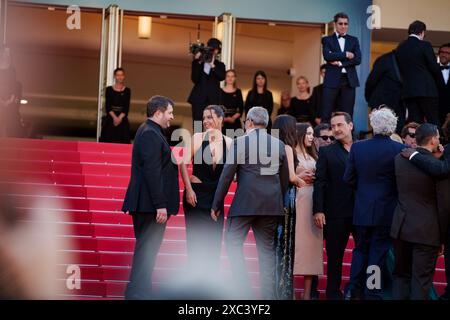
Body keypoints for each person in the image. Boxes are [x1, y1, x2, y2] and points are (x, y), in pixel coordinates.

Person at [210, 107, 289, 300]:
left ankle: (243, 290)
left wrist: (216, 204)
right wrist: (276, 199)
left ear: (250, 123)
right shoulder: (279, 145)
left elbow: (227, 174)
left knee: (232, 243)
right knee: (267, 253)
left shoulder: (241, 141)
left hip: (245, 204)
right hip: (271, 206)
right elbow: (284, 179)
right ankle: (267, 298)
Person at [122, 96, 179, 300]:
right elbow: (152, 171)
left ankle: (140, 292)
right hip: (149, 206)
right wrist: (160, 205)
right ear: (158, 112)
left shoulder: (151, 132)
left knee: (148, 252)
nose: (172, 117)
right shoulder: (150, 134)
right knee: (146, 252)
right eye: (170, 112)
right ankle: (137, 294)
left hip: (148, 204)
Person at [343, 108, 404, 299]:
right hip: (386, 211)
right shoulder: (399, 150)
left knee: (360, 249)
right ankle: (372, 291)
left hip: (362, 209)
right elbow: (401, 182)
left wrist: (363, 189)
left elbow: (348, 178)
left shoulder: (358, 147)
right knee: (377, 254)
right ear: (393, 126)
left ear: (373, 125)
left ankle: (353, 289)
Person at [391, 124, 449, 299]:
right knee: (421, 281)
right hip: (427, 232)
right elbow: (444, 205)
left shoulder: (399, 158)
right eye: (438, 137)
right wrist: (443, 236)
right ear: (433, 140)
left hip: (401, 227)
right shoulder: (438, 166)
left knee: (401, 277)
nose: (440, 140)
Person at [180, 105, 232, 277]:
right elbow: (182, 163)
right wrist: (188, 190)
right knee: (195, 243)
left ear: (220, 119)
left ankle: (209, 284)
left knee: (213, 244)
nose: (205, 121)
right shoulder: (197, 137)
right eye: (204, 118)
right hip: (196, 196)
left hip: (215, 198)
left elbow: (235, 171)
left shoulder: (230, 142)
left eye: (210, 117)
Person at [313, 112, 356, 300]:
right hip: (335, 212)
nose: (336, 129)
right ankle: (332, 293)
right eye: (333, 126)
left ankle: (358, 289)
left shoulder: (363, 148)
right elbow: (320, 182)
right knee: (335, 256)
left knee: (364, 252)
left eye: (340, 125)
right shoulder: (327, 151)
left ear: (351, 125)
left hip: (362, 211)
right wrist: (318, 209)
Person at [272, 115, 309, 300]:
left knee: (279, 247)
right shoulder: (286, 147)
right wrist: (307, 181)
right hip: (287, 199)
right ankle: (282, 293)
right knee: (284, 248)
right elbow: (292, 177)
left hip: (279, 198)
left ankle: (277, 292)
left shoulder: (273, 146)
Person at [293, 122, 323, 300]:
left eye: (313, 134)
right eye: (309, 133)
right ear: (300, 134)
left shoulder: (315, 155)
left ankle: (306, 295)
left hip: (313, 201)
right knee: (295, 246)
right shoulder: (291, 153)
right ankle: (289, 291)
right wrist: (298, 177)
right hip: (297, 201)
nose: (312, 137)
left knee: (312, 248)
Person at [396, 21, 442, 126]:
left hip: (409, 91)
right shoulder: (425, 45)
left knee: (414, 123)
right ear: (422, 32)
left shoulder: (400, 48)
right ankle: (436, 142)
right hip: (427, 90)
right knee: (433, 121)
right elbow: (434, 67)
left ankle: (416, 142)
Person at [321, 12, 361, 123]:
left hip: (349, 81)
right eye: (340, 23)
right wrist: (346, 54)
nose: (343, 26)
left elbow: (358, 59)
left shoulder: (354, 40)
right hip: (332, 80)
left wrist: (341, 64)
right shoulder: (327, 40)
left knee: (348, 114)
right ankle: (323, 138)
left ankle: (349, 139)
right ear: (335, 24)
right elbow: (327, 56)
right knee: (326, 112)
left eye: (346, 24)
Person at [188, 38, 226, 128]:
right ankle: (198, 141)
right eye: (210, 49)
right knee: (197, 126)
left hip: (213, 100)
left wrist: (212, 65)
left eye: (214, 50)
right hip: (198, 100)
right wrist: (198, 61)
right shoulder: (198, 62)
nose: (212, 52)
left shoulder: (220, 65)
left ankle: (211, 141)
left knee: (213, 125)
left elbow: (222, 76)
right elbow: (194, 79)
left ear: (217, 51)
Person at [365, 50, 404, 133]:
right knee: (379, 130)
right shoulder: (385, 60)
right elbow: (372, 80)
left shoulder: (406, 61)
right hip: (381, 102)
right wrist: (369, 98)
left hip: (398, 104)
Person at [99, 68, 131, 144]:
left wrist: (119, 118)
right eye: (118, 75)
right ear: (114, 76)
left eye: (121, 75)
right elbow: (108, 106)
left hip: (122, 119)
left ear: (124, 76)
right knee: (107, 141)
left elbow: (126, 107)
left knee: (123, 142)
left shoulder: (127, 90)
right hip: (111, 118)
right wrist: (115, 118)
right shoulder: (109, 89)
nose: (120, 77)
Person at [221, 69, 244, 136]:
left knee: (235, 145)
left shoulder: (238, 92)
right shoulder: (219, 91)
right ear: (225, 78)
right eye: (228, 76)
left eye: (232, 76)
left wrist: (233, 118)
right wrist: (224, 119)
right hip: (222, 123)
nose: (230, 78)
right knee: (223, 144)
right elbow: (216, 108)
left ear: (235, 78)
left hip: (235, 122)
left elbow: (241, 108)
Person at [0, 46, 17, 138]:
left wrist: (11, 98)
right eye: (4, 53)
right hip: (2, 97)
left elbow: (13, 85)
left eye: (8, 54)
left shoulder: (12, 70)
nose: (6, 55)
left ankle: (4, 137)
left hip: (7, 98)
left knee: (5, 120)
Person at [438, 43, 450, 125]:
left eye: (447, 53)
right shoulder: (432, 69)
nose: (443, 55)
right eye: (442, 52)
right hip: (436, 110)